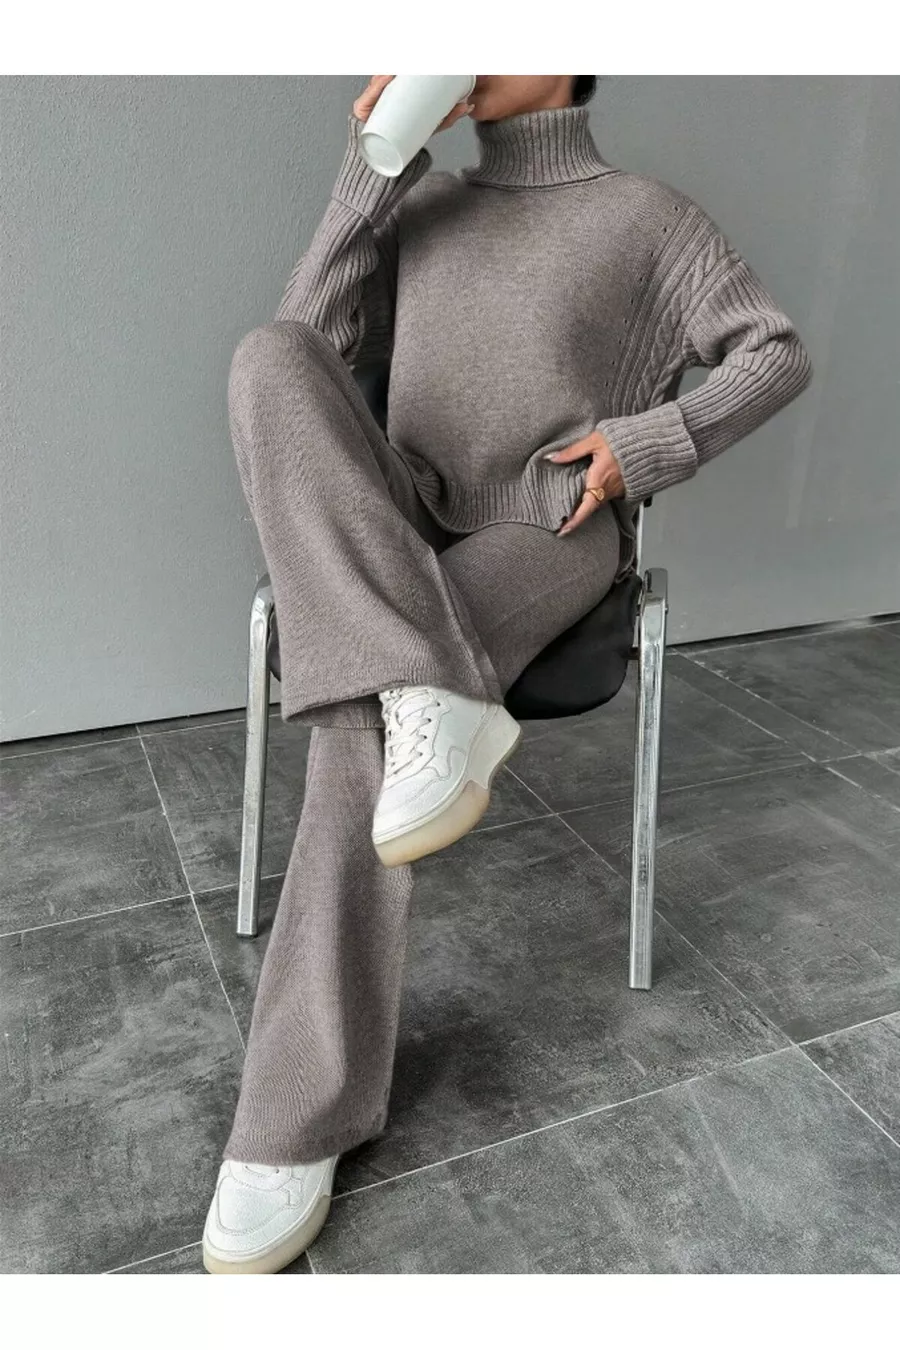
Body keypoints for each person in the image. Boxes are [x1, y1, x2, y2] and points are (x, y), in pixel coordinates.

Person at [202, 75, 813, 1274]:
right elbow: (307, 358)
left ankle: (290, 1121)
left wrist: (645, 446)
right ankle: (428, 691)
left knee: (360, 723)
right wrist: (374, 168)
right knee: (264, 356)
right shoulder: (420, 206)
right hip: (403, 529)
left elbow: (773, 353)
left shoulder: (650, 218)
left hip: (549, 531)